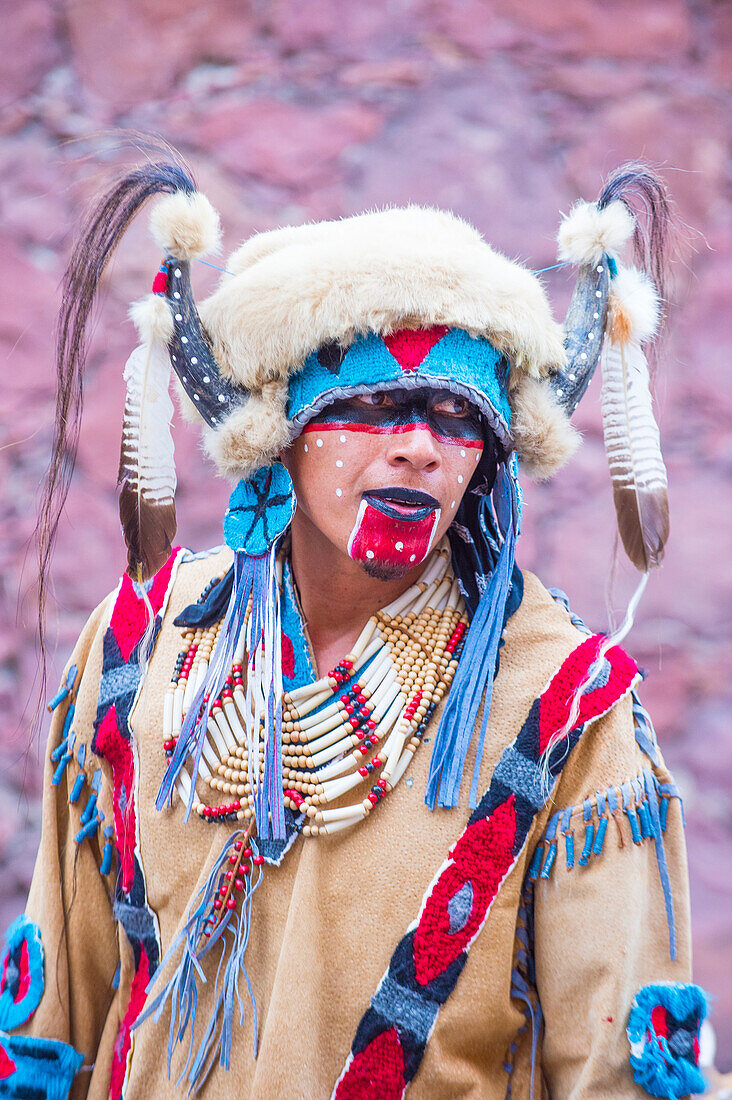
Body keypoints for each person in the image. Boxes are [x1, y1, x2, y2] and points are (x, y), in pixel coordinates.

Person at [0, 159, 709, 1100]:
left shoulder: (561, 704)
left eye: (458, 413)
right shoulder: (141, 645)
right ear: (277, 433)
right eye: (372, 404)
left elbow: (613, 1075)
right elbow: (57, 1027)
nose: (418, 443)